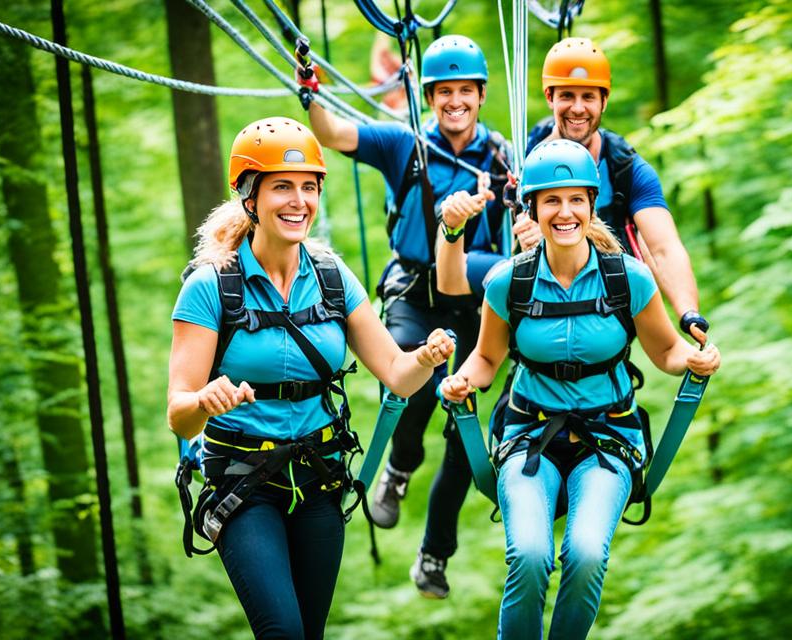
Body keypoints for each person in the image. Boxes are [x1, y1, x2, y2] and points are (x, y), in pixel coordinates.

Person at [167, 117, 454, 639]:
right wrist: (205, 401)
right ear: (249, 198)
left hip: (320, 479)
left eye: (308, 187)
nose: (298, 201)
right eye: (282, 187)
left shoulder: (331, 279)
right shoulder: (211, 288)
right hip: (243, 483)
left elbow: (396, 374)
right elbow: (178, 415)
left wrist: (427, 359)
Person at [439, 139, 721, 640]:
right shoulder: (509, 283)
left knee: (587, 553)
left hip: (608, 438)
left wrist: (693, 358)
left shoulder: (627, 279)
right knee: (528, 554)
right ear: (533, 208)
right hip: (528, 436)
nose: (564, 212)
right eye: (551, 200)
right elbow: (486, 358)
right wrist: (462, 380)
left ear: (592, 206)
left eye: (576, 200)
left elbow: (665, 351)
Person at [302, 34, 532, 598]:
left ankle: (434, 555)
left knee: (466, 426)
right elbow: (331, 135)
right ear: (429, 96)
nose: (454, 101)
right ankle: (400, 466)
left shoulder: (507, 159)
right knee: (410, 373)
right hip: (416, 292)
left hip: (478, 306)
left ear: (480, 95)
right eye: (443, 92)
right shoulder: (404, 144)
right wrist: (310, 87)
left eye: (465, 91)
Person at [530, 37, 708, 339]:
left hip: (607, 302)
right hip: (543, 299)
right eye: (567, 96)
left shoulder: (626, 168)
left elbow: (663, 247)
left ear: (604, 101)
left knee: (642, 235)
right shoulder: (528, 164)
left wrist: (688, 313)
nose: (577, 108)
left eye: (588, 97)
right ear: (549, 97)